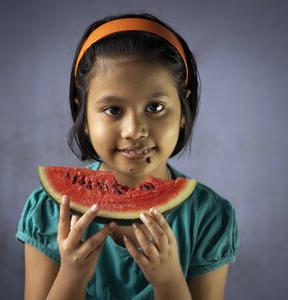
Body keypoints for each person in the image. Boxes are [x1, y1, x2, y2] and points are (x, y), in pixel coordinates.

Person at [16, 12, 239, 300]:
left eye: (155, 107)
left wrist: (169, 281)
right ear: (83, 115)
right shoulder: (47, 211)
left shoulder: (208, 216)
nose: (134, 130)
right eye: (113, 110)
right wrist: (71, 277)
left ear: (183, 110)